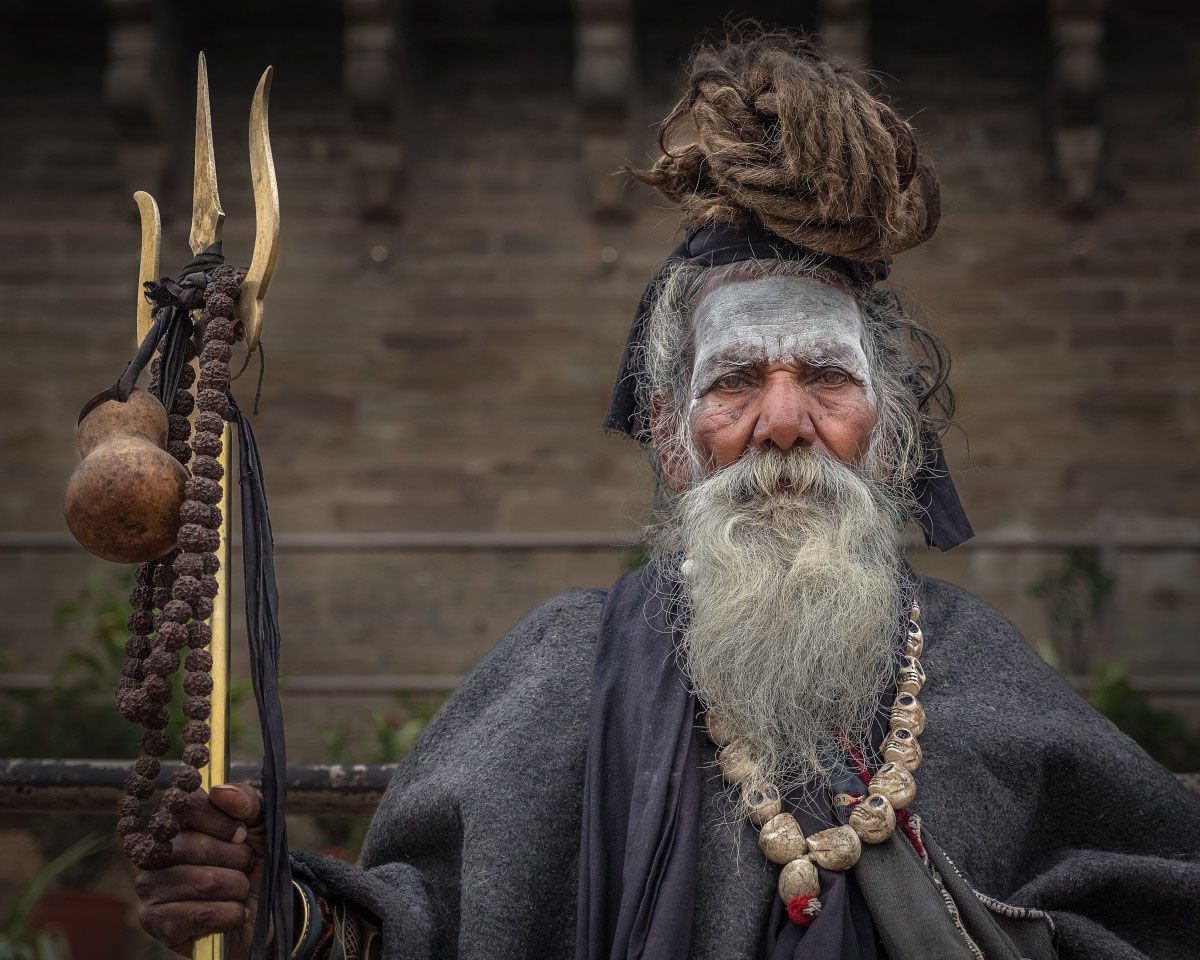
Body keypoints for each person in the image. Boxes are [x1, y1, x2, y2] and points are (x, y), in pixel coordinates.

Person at [134, 28, 1200, 960]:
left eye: (826, 378)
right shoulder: (564, 666)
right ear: (671, 433)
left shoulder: (984, 674)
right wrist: (286, 910)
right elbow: (424, 930)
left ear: (891, 436)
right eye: (736, 380)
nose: (784, 421)